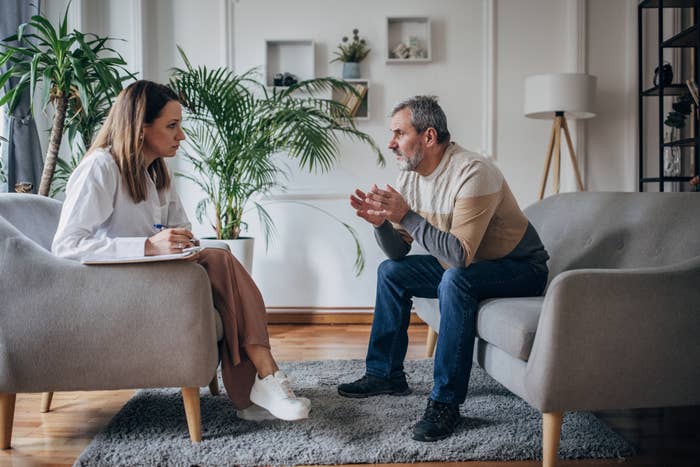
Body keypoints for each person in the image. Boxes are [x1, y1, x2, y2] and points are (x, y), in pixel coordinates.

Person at [52, 80, 310, 422]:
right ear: (140, 128)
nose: (181, 136)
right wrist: (147, 245)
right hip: (111, 285)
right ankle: (263, 382)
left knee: (218, 261)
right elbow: (66, 245)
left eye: (180, 126)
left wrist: (179, 243)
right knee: (220, 258)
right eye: (172, 126)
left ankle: (255, 393)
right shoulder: (100, 167)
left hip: (155, 276)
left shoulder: (157, 172)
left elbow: (180, 230)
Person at [338, 96, 549, 441]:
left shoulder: (473, 172)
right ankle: (385, 374)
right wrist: (382, 225)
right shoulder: (409, 177)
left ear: (429, 137)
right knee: (391, 274)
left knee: (455, 280)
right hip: (467, 265)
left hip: (520, 268)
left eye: (399, 134)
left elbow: (460, 256)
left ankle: (446, 402)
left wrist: (405, 215)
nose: (390, 143)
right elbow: (397, 254)